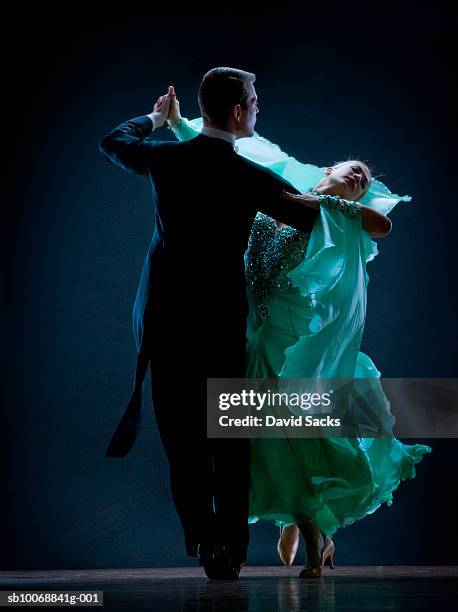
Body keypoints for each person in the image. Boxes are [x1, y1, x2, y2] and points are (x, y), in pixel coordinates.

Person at [99, 67, 371, 580]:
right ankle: (231, 548)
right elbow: (312, 219)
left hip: (166, 321)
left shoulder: (164, 158)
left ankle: (205, 542)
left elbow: (114, 142)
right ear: (239, 111)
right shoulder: (246, 175)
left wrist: (158, 118)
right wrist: (355, 203)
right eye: (254, 100)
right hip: (222, 325)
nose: (257, 107)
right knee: (228, 442)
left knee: (183, 442)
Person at [165, 96, 432, 577]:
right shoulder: (279, 186)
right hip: (255, 325)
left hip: (294, 332)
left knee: (289, 424)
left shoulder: (339, 216)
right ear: (329, 166)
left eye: (364, 182)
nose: (358, 180)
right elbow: (237, 155)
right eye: (353, 171)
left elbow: (382, 224)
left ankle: (309, 529)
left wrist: (327, 203)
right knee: (263, 436)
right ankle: (304, 521)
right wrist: (181, 124)